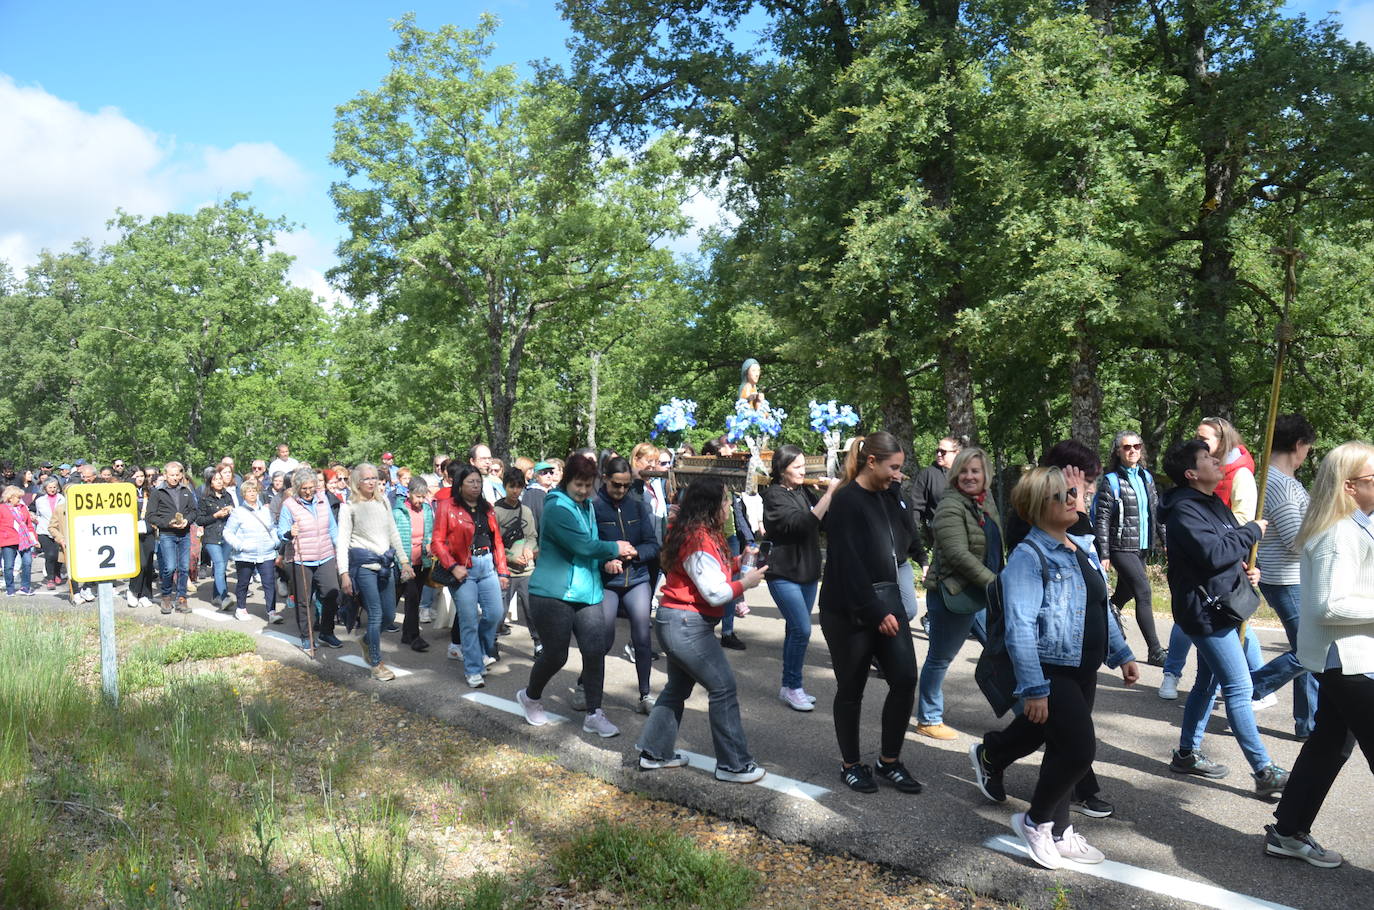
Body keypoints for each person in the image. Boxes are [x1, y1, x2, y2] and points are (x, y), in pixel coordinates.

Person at [979, 467, 1139, 870]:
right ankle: (1035, 821)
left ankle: (1059, 830)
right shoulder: (1028, 557)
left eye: (1072, 492)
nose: (1072, 499)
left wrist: (1121, 654)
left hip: (1084, 670)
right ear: (1036, 508)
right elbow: (1019, 628)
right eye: (1060, 496)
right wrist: (1033, 688)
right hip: (1052, 671)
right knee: (1080, 749)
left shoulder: (1079, 546)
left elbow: (1101, 609)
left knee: (1062, 750)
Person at [1263, 441, 1374, 869]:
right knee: (1331, 743)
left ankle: (1288, 831)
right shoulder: (1338, 533)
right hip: (1349, 663)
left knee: (1329, 744)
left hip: (1346, 660)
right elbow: (1329, 605)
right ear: (1349, 486)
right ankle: (1288, 832)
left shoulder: (1354, 524)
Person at [1160, 439, 1289, 798]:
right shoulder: (1184, 511)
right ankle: (1264, 770)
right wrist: (1254, 531)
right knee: (1239, 686)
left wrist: (1251, 570)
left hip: (1222, 604)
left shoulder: (1212, 501)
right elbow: (1214, 552)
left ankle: (1186, 754)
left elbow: (1230, 547)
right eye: (1207, 458)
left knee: (1207, 683)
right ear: (1191, 473)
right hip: (1205, 612)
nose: (1217, 461)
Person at [632, 476, 770, 782]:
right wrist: (745, 582)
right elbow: (716, 593)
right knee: (722, 687)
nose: (728, 507)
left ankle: (654, 754)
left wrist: (739, 562)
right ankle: (734, 764)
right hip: (686, 624)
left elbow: (709, 573)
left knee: (677, 688)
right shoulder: (699, 538)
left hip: (682, 622)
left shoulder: (705, 533)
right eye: (724, 501)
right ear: (710, 505)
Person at [819, 432, 925, 795]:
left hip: (886, 598)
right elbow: (848, 563)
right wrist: (874, 609)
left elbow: (906, 542)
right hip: (849, 606)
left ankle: (889, 761)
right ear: (871, 462)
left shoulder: (889, 497)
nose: (898, 474)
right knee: (851, 687)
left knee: (906, 677)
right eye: (893, 467)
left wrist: (897, 498)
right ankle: (851, 764)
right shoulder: (847, 500)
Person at [515, 453, 633, 737]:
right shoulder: (557, 508)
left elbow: (589, 547)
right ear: (567, 481)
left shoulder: (586, 507)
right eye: (578, 484)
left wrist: (604, 560)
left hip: (587, 592)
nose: (582, 490)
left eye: (587, 485)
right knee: (556, 655)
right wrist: (614, 548)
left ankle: (594, 713)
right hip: (553, 593)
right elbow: (583, 545)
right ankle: (530, 696)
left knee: (595, 651)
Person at [1161, 417, 1263, 697]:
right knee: (1237, 686)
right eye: (1198, 439)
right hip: (1207, 588)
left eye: (1206, 441)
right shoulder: (1187, 502)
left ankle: (1189, 741)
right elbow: (1214, 546)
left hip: (1224, 576)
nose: (1200, 443)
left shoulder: (1236, 475)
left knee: (1210, 682)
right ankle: (1172, 672)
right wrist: (1246, 534)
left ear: (1222, 442)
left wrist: (1248, 562)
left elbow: (1238, 520)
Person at [918, 445, 1000, 740]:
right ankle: (928, 718)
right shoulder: (950, 505)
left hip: (980, 592)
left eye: (975, 471)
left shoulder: (984, 500)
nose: (969, 476)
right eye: (963, 471)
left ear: (985, 474)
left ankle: (1028, 716)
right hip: (953, 595)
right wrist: (995, 583)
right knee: (940, 657)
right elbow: (957, 555)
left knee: (1003, 651)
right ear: (954, 475)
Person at [1251, 414, 1319, 741]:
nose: (1308, 454)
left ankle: (1309, 724)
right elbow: (1297, 541)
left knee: (1308, 648)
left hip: (1284, 576)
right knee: (1312, 649)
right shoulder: (1282, 484)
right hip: (1288, 578)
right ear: (1298, 445)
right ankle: (1249, 686)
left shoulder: (1271, 478)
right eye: (1308, 447)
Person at [763, 444, 838, 711]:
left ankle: (789, 685)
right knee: (802, 629)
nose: (803, 471)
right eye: (797, 467)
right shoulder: (774, 495)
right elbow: (802, 524)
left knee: (794, 631)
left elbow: (824, 525)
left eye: (804, 466)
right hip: (783, 573)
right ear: (782, 471)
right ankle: (793, 687)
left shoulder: (804, 491)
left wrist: (827, 498)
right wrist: (828, 496)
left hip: (806, 571)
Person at [592, 456, 661, 714]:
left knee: (643, 636)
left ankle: (645, 695)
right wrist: (606, 560)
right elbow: (588, 547)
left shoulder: (639, 507)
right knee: (604, 638)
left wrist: (637, 553)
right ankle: (584, 685)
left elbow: (653, 545)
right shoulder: (594, 507)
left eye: (625, 485)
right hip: (608, 582)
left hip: (638, 579)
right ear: (605, 480)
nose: (621, 490)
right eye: (616, 485)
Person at [432, 462, 510, 688]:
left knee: (495, 614)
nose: (476, 486)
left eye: (478, 482)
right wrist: (452, 565)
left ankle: (483, 651)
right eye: (471, 482)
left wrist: (502, 570)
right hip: (463, 569)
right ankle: (474, 668)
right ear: (460, 484)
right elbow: (437, 542)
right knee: (468, 620)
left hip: (487, 566)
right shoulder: (447, 506)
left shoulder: (487, 508)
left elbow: (497, 541)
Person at [1093, 432, 1167, 666]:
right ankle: (1154, 651)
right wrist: (1104, 552)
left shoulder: (1146, 477)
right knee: (1144, 592)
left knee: (1126, 593)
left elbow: (1157, 512)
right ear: (1118, 451)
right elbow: (1102, 518)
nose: (1132, 450)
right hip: (1120, 547)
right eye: (1127, 447)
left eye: (1137, 446)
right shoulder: (1111, 481)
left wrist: (1166, 541)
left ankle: (1110, 609)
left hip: (1141, 546)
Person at [338, 464, 412, 682]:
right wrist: (343, 573)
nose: (371, 482)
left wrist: (404, 561)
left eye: (374, 478)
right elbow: (342, 543)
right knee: (376, 614)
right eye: (366, 479)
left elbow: (393, 533)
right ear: (356, 482)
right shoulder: (348, 507)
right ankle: (377, 663)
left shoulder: (383, 501)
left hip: (386, 565)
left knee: (389, 616)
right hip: (364, 567)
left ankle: (367, 640)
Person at [277, 467, 345, 651]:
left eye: (311, 487)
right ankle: (307, 636)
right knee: (304, 600)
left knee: (332, 594)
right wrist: (289, 533)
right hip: (301, 559)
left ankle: (326, 632)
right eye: (304, 488)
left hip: (325, 555)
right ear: (297, 488)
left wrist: (340, 549)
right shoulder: (289, 505)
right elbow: (280, 534)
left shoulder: (322, 500)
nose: (308, 492)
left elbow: (332, 528)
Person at [494, 466, 539, 654]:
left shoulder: (526, 511)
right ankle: (491, 641)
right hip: (505, 571)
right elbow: (493, 542)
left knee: (532, 610)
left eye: (519, 486)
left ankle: (539, 644)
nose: (515, 490)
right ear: (505, 486)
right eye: (511, 486)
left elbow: (532, 536)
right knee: (499, 611)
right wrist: (511, 558)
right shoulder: (495, 511)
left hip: (527, 571)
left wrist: (529, 550)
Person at [222, 477, 280, 622]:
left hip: (266, 553)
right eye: (249, 491)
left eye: (254, 491)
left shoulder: (266, 511)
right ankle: (241, 608)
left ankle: (271, 611)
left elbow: (272, 528)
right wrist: (240, 546)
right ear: (243, 494)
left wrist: (275, 542)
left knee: (269, 583)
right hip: (245, 555)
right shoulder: (238, 512)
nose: (252, 494)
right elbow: (227, 532)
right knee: (243, 582)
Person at [148, 462, 197, 614]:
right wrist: (167, 523)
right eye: (171, 475)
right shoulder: (158, 492)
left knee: (183, 568)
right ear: (165, 475)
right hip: (167, 534)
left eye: (177, 475)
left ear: (181, 475)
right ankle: (166, 595)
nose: (175, 478)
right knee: (169, 567)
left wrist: (187, 521)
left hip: (184, 533)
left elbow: (194, 511)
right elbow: (150, 516)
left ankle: (181, 597)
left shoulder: (186, 490)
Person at [392, 478, 434, 651]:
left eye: (423, 497)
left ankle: (409, 636)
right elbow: (393, 538)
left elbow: (430, 531)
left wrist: (430, 543)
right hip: (404, 562)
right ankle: (412, 636)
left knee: (413, 599)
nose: (420, 501)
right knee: (407, 596)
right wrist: (401, 561)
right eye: (418, 496)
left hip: (421, 561)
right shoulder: (398, 511)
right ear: (409, 493)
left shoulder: (426, 509)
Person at [195, 470, 236, 610]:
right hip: (211, 537)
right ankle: (224, 598)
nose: (219, 481)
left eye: (220, 479)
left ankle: (216, 596)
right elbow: (199, 519)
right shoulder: (204, 498)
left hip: (226, 536)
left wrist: (231, 510)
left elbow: (235, 516)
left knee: (222, 567)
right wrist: (216, 515)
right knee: (219, 565)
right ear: (210, 482)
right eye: (215, 479)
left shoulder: (227, 495)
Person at [127, 467, 158, 608]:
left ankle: (145, 594)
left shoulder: (150, 492)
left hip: (148, 530)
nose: (139, 479)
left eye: (142, 476)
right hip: (132, 531)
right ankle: (133, 591)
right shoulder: (125, 492)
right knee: (140, 564)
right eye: (136, 476)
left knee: (148, 564)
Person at [0, 486, 38, 596]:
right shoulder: (2, 508)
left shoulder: (23, 508)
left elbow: (29, 525)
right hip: (8, 540)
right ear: (10, 497)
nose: (19, 499)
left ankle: (25, 587)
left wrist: (34, 539)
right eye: (18, 497)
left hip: (24, 539)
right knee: (8, 566)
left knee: (27, 562)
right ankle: (10, 589)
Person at [32, 478, 65, 590]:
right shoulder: (39, 500)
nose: (52, 489)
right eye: (50, 487)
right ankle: (50, 578)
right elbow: (33, 511)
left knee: (58, 555)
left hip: (59, 531)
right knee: (50, 555)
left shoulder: (63, 499)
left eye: (54, 487)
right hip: (44, 530)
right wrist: (34, 518)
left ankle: (57, 573)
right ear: (45, 488)